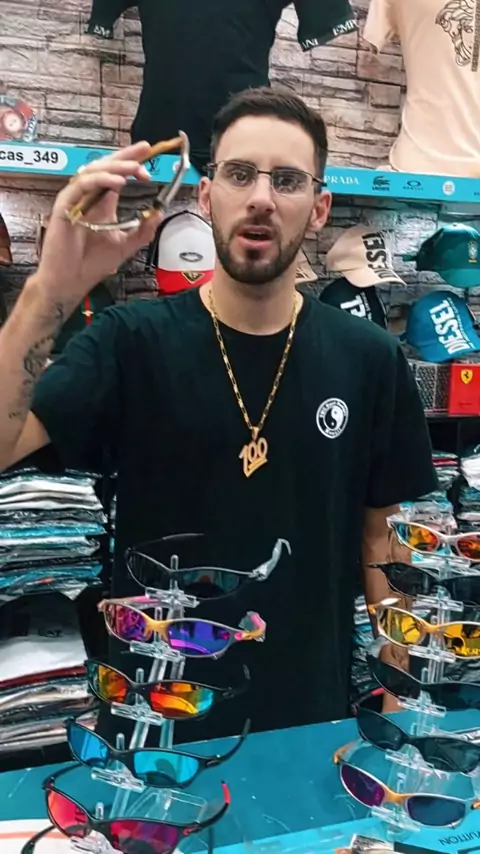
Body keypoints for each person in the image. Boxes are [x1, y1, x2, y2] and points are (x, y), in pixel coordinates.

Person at [0, 88, 437, 744]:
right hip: (154, 724)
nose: (261, 197)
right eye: (239, 174)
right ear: (206, 197)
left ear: (318, 208)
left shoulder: (370, 357)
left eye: (287, 180)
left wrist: (399, 687)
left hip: (308, 723)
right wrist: (51, 290)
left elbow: (382, 538)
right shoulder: (129, 343)